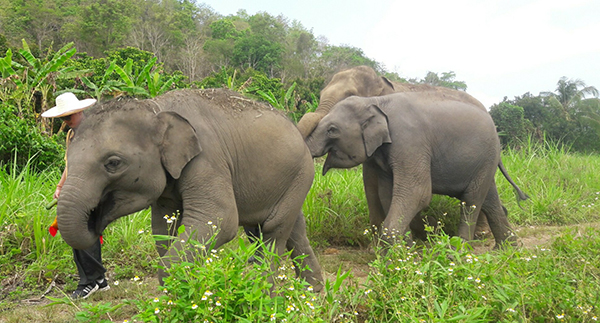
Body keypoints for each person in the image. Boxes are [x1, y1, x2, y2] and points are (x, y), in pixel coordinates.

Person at [42, 92, 109, 300]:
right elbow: (70, 164)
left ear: (80, 111)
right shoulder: (71, 135)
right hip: (76, 188)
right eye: (63, 118)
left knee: (81, 230)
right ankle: (98, 280)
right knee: (78, 230)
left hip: (94, 188)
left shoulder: (94, 132)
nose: (66, 121)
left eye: (69, 117)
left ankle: (89, 281)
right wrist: (61, 186)